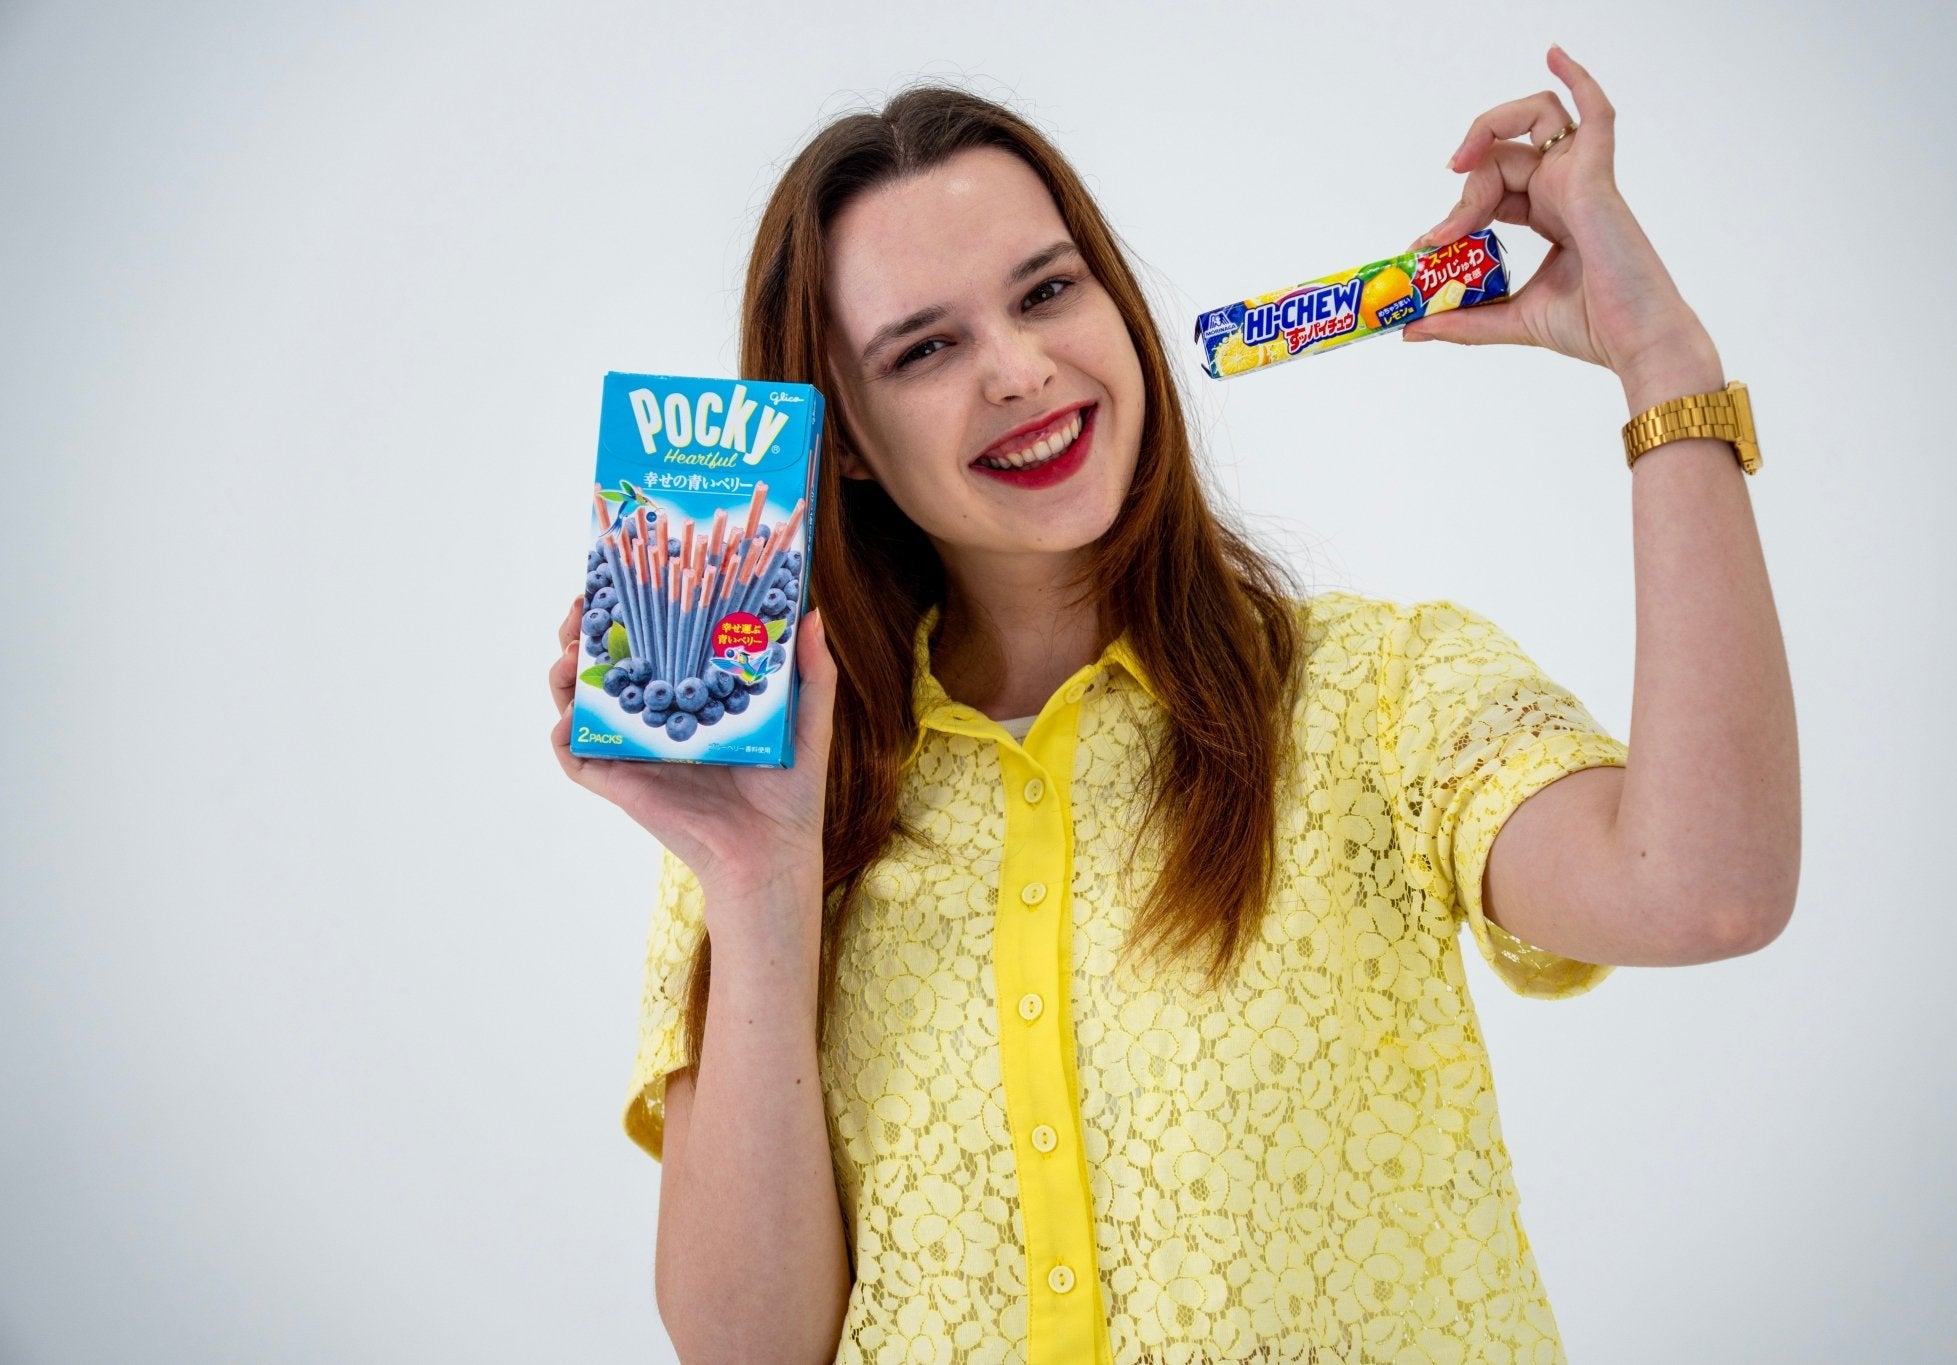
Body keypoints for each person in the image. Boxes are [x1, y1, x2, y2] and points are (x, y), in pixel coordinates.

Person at [548, 45, 1799, 1365]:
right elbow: (744, 1348)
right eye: (925, 347)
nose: (1021, 368)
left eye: (1048, 290)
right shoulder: (767, 805)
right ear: (841, 437)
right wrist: (757, 880)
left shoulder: (1376, 695)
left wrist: (1663, 357)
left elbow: (1705, 887)